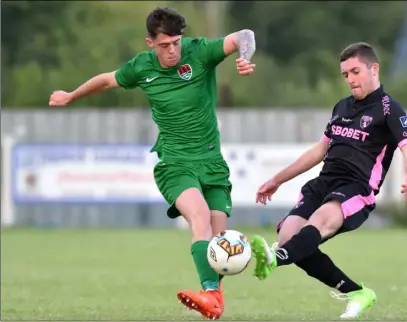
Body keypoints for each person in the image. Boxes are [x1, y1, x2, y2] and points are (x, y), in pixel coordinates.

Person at [48, 7, 256, 320]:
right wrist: (69, 96)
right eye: (164, 45)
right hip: (174, 164)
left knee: (218, 243)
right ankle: (211, 295)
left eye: (176, 43)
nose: (172, 50)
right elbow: (106, 80)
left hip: (212, 162)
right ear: (150, 43)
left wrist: (245, 55)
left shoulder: (200, 52)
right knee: (198, 216)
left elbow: (244, 36)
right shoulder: (141, 68)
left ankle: (214, 296)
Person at [250, 42, 407, 319]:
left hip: (355, 188)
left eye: (355, 71)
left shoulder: (389, 108)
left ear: (373, 69)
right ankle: (357, 293)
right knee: (287, 236)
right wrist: (277, 179)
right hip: (323, 183)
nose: (350, 79)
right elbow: (319, 151)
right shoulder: (341, 106)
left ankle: (274, 260)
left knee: (316, 225)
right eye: (345, 74)